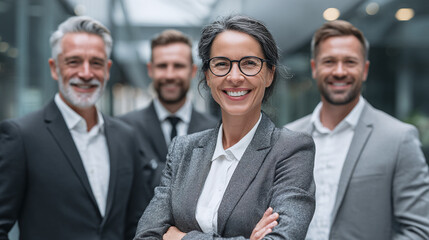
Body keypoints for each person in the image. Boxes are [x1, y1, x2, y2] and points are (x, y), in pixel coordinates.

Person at [134, 15, 316, 240]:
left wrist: (180, 237)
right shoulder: (183, 150)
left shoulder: (291, 150)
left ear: (269, 74)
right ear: (208, 76)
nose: (235, 77)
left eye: (249, 63)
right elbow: (145, 235)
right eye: (222, 64)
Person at [0, 16, 149, 240]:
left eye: (96, 63)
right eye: (74, 62)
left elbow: (138, 223)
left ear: (107, 70)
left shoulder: (126, 137)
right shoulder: (21, 135)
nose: (86, 73)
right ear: (54, 68)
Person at [285, 20, 429, 239]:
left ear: (365, 69)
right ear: (314, 68)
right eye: (329, 61)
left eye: (350, 62)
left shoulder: (399, 138)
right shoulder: (288, 137)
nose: (340, 71)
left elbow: (419, 229)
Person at [120, 29, 217, 196]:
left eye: (178, 66)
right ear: (150, 70)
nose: (170, 75)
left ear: (193, 71)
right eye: (162, 66)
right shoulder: (125, 129)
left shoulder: (216, 131)